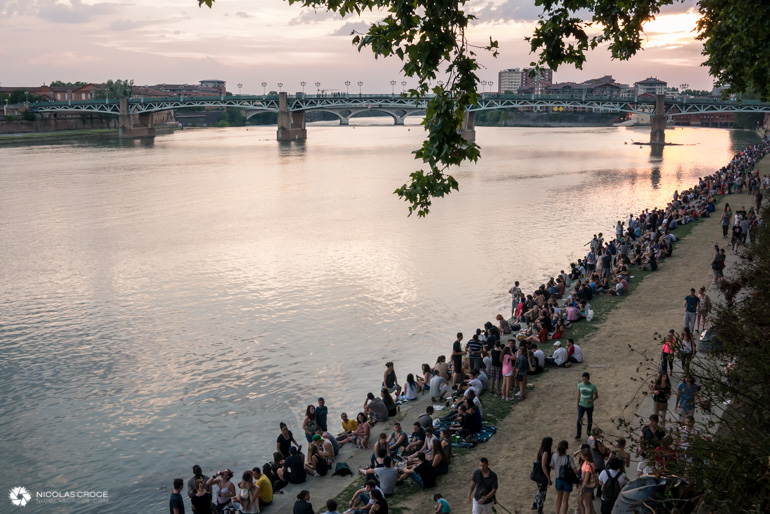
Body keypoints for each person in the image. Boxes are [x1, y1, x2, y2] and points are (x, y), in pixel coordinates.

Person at [551, 440, 577, 514]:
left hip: (558, 479)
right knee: (565, 500)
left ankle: (557, 512)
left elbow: (552, 467)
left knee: (559, 497)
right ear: (566, 448)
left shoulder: (554, 456)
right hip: (567, 481)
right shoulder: (569, 458)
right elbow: (575, 470)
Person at [532, 437, 553, 514]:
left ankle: (534, 504)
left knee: (539, 490)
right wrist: (548, 478)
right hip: (543, 476)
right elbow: (544, 466)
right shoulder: (546, 453)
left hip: (539, 475)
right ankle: (540, 510)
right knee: (542, 493)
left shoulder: (541, 451)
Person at [576, 372, 598, 440]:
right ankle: (578, 434)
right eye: (583, 379)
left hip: (589, 406)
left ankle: (588, 433)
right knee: (579, 419)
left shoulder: (592, 386)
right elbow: (578, 395)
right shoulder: (579, 385)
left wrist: (591, 401)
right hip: (581, 405)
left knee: (589, 420)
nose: (584, 380)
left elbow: (596, 396)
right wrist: (577, 404)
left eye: (585, 379)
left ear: (588, 379)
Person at [577, 447, 596, 514]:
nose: (580, 455)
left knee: (587, 505)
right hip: (585, 485)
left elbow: (586, 479)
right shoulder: (589, 461)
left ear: (585, 456)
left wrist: (581, 488)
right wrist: (578, 452)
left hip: (586, 486)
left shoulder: (588, 466)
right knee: (588, 502)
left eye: (581, 455)